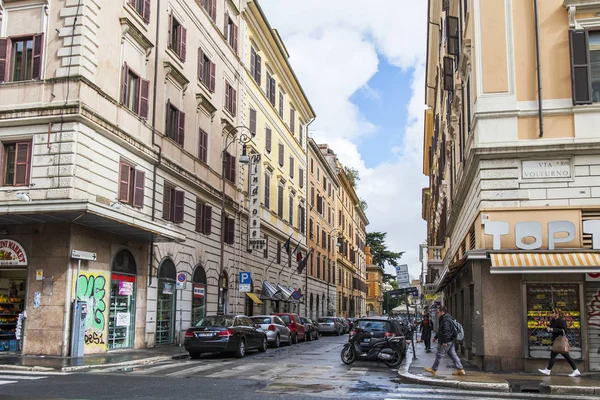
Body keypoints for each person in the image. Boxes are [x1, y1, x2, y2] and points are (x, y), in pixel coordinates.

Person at [538, 308, 580, 377]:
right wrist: (548, 329)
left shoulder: (561, 321)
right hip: (556, 341)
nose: (552, 314)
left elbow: (564, 331)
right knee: (560, 356)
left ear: (557, 314)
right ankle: (575, 370)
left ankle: (548, 370)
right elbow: (551, 328)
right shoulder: (553, 321)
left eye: (553, 313)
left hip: (560, 341)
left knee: (558, 355)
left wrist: (553, 329)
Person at [424, 306, 465, 376]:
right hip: (450, 340)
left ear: (442, 312)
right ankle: (460, 369)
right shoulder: (446, 318)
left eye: (438, 312)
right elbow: (441, 330)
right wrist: (436, 337)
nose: (437, 314)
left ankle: (433, 369)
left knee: (439, 355)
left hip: (446, 341)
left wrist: (445, 342)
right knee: (452, 354)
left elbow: (446, 331)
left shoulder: (445, 320)